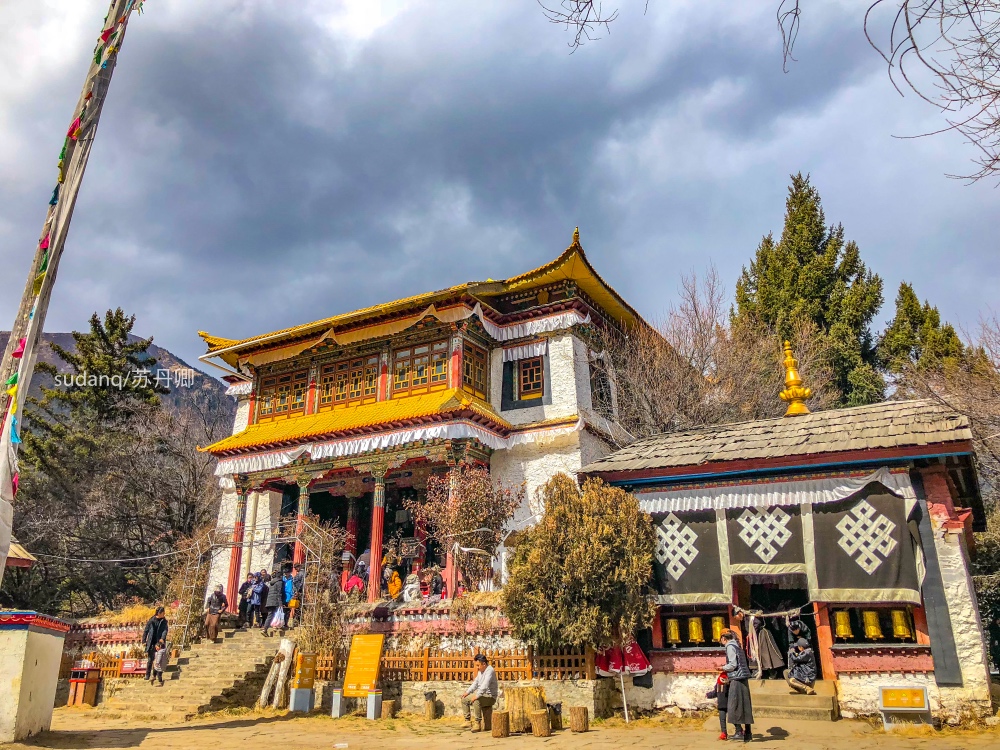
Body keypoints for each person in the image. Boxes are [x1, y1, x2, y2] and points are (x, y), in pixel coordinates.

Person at [720, 628, 754, 743]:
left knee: (733, 705)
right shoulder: (737, 645)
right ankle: (748, 732)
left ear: (723, 638)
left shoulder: (730, 646)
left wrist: (722, 668)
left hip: (736, 679)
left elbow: (733, 665)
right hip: (743, 678)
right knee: (745, 705)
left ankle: (739, 731)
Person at [461, 653, 497, 733]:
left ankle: (477, 723)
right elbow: (475, 683)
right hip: (482, 695)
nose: (477, 667)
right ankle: (467, 721)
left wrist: (477, 695)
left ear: (484, 664)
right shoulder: (481, 671)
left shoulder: (490, 671)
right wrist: (467, 692)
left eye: (478, 665)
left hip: (490, 697)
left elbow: (485, 685)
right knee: (464, 699)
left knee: (476, 700)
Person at [141, 606, 168, 681]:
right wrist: (144, 640)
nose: (164, 614)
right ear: (159, 613)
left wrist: (162, 638)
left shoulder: (164, 621)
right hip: (151, 642)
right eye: (163, 613)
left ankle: (157, 675)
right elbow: (146, 630)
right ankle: (147, 675)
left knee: (159, 659)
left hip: (159, 642)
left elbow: (165, 630)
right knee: (150, 660)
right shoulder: (151, 620)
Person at [706, 671, 731, 740]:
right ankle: (724, 733)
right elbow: (715, 693)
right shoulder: (719, 685)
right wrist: (708, 695)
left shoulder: (729, 685)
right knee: (724, 719)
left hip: (728, 704)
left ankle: (738, 730)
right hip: (723, 705)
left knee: (731, 719)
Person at [262, 570, 284, 636]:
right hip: (275, 600)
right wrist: (280, 603)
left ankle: (265, 629)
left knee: (270, 615)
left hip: (269, 600)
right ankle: (275, 626)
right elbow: (279, 593)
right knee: (277, 613)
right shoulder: (279, 582)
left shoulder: (272, 582)